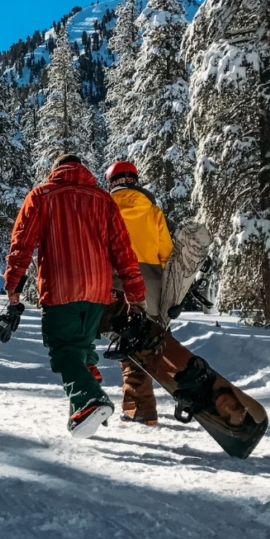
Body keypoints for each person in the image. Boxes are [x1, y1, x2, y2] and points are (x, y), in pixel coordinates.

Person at [5, 155, 147, 438]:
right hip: (97, 291)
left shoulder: (42, 195)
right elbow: (123, 250)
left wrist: (13, 285)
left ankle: (89, 401)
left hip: (60, 288)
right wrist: (135, 294)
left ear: (55, 171)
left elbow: (22, 243)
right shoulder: (103, 200)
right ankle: (85, 400)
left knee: (64, 350)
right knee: (80, 346)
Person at [105, 160, 173, 426]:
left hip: (117, 281)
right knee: (147, 342)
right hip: (152, 283)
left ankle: (141, 409)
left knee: (128, 344)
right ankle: (143, 403)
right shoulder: (153, 211)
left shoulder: (105, 208)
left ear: (111, 182)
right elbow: (166, 253)